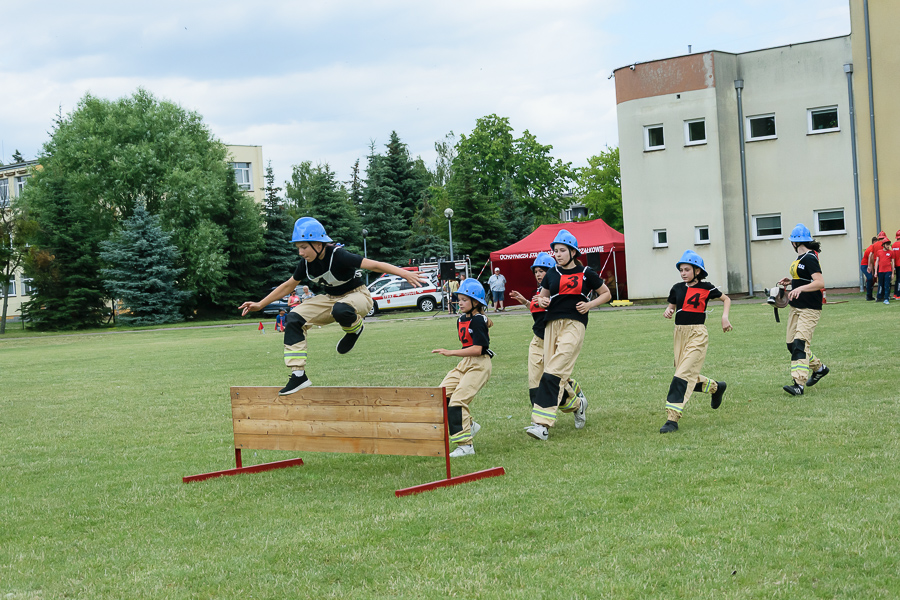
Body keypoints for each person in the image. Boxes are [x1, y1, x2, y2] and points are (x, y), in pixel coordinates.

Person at [239, 217, 426, 395]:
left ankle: (354, 329)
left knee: (341, 309)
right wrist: (260, 304)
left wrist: (404, 273)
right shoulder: (305, 264)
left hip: (358, 296)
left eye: (304, 247)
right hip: (330, 298)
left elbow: (374, 265)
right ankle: (298, 375)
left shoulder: (338, 255)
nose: (300, 253)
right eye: (298, 248)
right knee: (293, 317)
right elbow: (289, 285)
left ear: (318, 244)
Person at [525, 230, 611, 441]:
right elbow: (539, 299)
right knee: (552, 374)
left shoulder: (587, 273)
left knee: (553, 372)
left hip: (574, 324)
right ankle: (578, 404)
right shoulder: (551, 274)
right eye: (555, 251)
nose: (558, 254)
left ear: (573, 252)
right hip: (551, 325)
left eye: (562, 250)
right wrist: (541, 301)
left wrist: (589, 304)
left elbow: (606, 293)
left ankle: (542, 425)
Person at [509, 252, 588, 428]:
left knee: (551, 382)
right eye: (536, 271)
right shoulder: (539, 291)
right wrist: (524, 301)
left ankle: (577, 405)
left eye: (542, 270)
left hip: (553, 341)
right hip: (537, 341)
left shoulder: (559, 289)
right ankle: (540, 424)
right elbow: (536, 311)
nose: (538, 274)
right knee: (535, 386)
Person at [659, 251, 732, 434]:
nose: (683, 273)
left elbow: (726, 299)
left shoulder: (707, 287)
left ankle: (672, 419)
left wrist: (725, 317)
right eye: (681, 270)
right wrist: (668, 311)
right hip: (679, 334)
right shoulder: (676, 288)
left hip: (697, 333)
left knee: (682, 375)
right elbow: (671, 306)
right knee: (685, 373)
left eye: (687, 269)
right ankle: (716, 387)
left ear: (697, 271)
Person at [431, 279, 494, 457]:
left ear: (476, 302)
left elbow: (478, 349)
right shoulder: (461, 319)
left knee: (458, 401)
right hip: (465, 362)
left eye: (465, 300)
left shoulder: (478, 320)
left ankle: (466, 446)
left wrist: (450, 352)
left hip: (479, 364)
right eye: (459, 299)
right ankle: (471, 425)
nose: (460, 303)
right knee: (441, 395)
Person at [778, 224, 828, 396]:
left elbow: (819, 282)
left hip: (810, 308)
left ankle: (798, 383)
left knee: (800, 344)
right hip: (796, 308)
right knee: (792, 345)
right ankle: (820, 368)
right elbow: (806, 279)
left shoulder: (809, 258)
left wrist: (799, 289)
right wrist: (791, 283)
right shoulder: (801, 258)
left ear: (794, 242)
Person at [869, 232, 895, 304]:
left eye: (889, 244)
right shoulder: (879, 252)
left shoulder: (891, 252)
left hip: (888, 271)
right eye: (887, 244)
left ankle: (886, 298)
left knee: (887, 285)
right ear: (883, 245)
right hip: (881, 271)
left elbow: (893, 263)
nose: (888, 246)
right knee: (880, 284)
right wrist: (876, 272)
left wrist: (892, 273)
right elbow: (877, 262)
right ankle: (879, 297)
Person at [861, 236, 879, 301]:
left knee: (872, 279)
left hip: (870, 265)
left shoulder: (874, 248)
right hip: (865, 265)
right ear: (874, 242)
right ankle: (869, 296)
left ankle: (870, 295)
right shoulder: (871, 249)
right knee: (870, 278)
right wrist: (873, 272)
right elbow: (871, 260)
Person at [893, 230, 900, 300]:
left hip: (895, 264)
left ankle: (895, 294)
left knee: (897, 279)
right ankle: (898, 294)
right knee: (899, 279)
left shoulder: (894, 245)